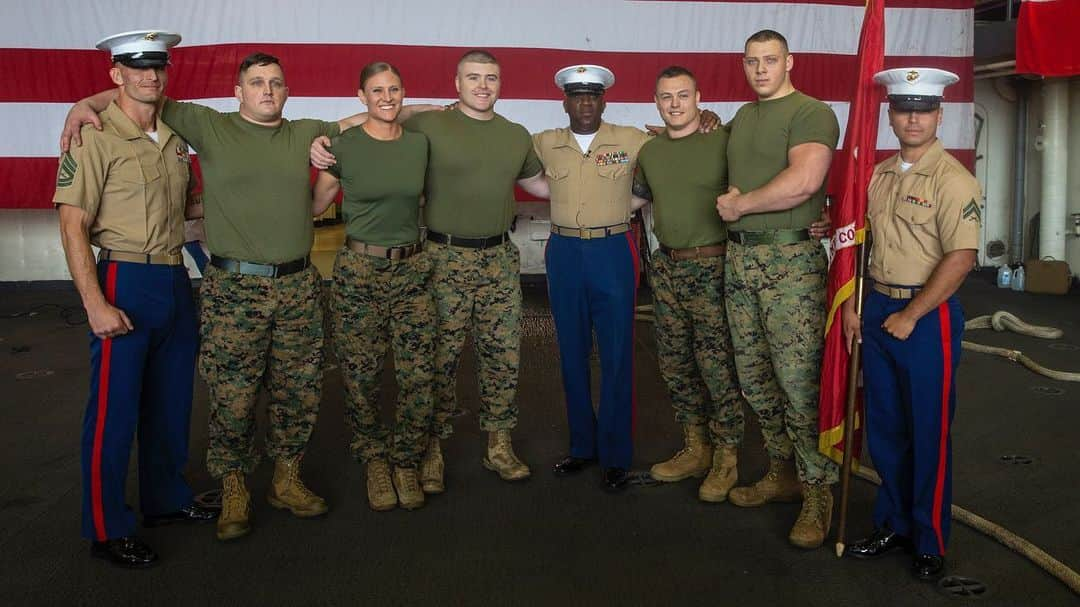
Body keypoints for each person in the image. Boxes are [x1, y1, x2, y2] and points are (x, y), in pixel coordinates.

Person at [61, 51, 383, 541]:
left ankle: (277, 480)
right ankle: (227, 489)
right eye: (257, 83)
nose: (268, 91)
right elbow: (141, 95)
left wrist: (432, 109)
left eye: (276, 82)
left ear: (287, 91)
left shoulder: (299, 133)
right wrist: (81, 105)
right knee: (225, 395)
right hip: (213, 285)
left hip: (281, 283)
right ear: (238, 92)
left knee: (288, 391)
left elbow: (367, 117)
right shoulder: (206, 126)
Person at [312, 49, 549, 493]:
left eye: (491, 78)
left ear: (501, 84)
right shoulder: (428, 126)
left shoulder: (517, 135)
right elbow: (377, 117)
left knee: (503, 356)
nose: (483, 85)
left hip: (499, 258)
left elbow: (540, 184)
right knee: (437, 361)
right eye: (473, 77)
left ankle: (499, 443)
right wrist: (322, 138)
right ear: (456, 84)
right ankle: (430, 450)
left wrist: (597, 187)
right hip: (442, 257)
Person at [55, 30, 216, 568]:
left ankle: (166, 500)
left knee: (172, 404)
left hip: (174, 279)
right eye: (137, 66)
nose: (150, 75)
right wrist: (95, 304)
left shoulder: (172, 134)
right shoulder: (93, 137)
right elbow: (72, 224)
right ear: (115, 74)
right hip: (124, 280)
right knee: (113, 413)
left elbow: (189, 211)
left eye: (158, 67)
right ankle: (106, 525)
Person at [842, 68, 978, 582]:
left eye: (923, 109)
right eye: (903, 109)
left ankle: (929, 539)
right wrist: (857, 304)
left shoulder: (953, 180)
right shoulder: (878, 174)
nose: (913, 117)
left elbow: (961, 258)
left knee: (927, 433)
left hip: (926, 318)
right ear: (891, 116)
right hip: (877, 308)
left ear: (939, 115)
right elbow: (865, 244)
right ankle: (893, 524)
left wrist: (912, 314)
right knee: (885, 430)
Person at [715, 29, 840, 549]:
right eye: (752, 61)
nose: (760, 69)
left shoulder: (812, 112)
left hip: (789, 262)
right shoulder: (743, 117)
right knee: (755, 377)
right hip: (740, 258)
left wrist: (741, 205)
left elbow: (806, 180)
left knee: (797, 381)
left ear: (790, 62)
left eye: (770, 60)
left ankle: (818, 489)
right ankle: (782, 470)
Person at [311, 62, 435, 512]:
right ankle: (374, 460)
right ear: (360, 96)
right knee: (361, 375)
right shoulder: (342, 147)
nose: (387, 97)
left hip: (412, 271)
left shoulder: (421, 145)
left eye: (395, 89)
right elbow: (316, 203)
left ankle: (406, 459)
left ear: (404, 93)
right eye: (377, 90)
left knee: (419, 375)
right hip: (359, 272)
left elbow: (436, 119)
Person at [531, 65, 650, 492]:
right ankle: (583, 445)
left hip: (612, 249)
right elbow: (516, 167)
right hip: (563, 251)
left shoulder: (633, 140)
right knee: (570, 352)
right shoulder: (544, 143)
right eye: (577, 96)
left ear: (604, 101)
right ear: (564, 101)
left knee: (618, 355)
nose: (585, 104)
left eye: (593, 96)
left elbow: (667, 165)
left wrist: (626, 204)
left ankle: (616, 454)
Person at [634, 66, 744, 502]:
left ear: (699, 97)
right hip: (667, 267)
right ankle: (695, 447)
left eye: (683, 95)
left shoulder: (723, 140)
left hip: (713, 265)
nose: (675, 104)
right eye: (666, 97)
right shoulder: (650, 152)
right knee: (675, 364)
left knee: (717, 367)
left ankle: (727, 457)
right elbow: (636, 198)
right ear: (656, 103)